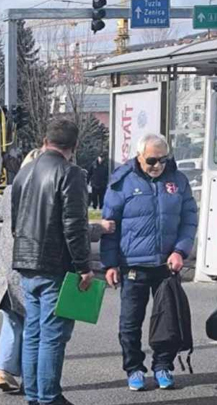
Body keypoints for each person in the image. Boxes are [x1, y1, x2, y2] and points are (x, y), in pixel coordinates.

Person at [100, 133, 198, 392]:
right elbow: (110, 226)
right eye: (152, 160)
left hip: (166, 265)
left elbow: (189, 220)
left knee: (168, 321)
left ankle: (163, 365)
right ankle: (134, 368)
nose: (157, 166)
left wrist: (180, 251)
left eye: (163, 160)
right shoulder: (121, 182)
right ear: (139, 157)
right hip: (133, 265)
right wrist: (109, 264)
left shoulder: (178, 181)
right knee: (130, 323)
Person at [12, 119, 94, 405]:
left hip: (26, 262)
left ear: (45, 141)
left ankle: (34, 395)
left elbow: (16, 220)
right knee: (53, 336)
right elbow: (75, 225)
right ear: (74, 146)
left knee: (33, 333)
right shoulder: (70, 173)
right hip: (55, 265)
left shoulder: (24, 172)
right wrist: (84, 267)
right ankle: (49, 396)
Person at [0, 148, 43, 393]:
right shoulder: (40, 194)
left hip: (4, 273)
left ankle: (3, 370)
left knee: (12, 322)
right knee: (34, 325)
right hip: (27, 269)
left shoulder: (11, 192)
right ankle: (29, 378)